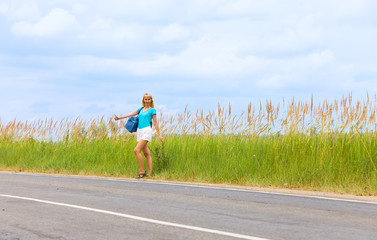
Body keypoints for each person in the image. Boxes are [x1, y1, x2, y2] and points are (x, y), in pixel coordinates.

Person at [114, 93, 163, 179]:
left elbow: (155, 122)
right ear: (143, 100)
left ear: (151, 100)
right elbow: (131, 114)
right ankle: (150, 173)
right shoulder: (140, 109)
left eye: (149, 99)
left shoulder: (152, 110)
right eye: (145, 99)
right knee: (146, 153)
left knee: (136, 150)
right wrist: (119, 118)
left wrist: (159, 135)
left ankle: (142, 171)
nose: (147, 101)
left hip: (147, 130)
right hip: (139, 131)